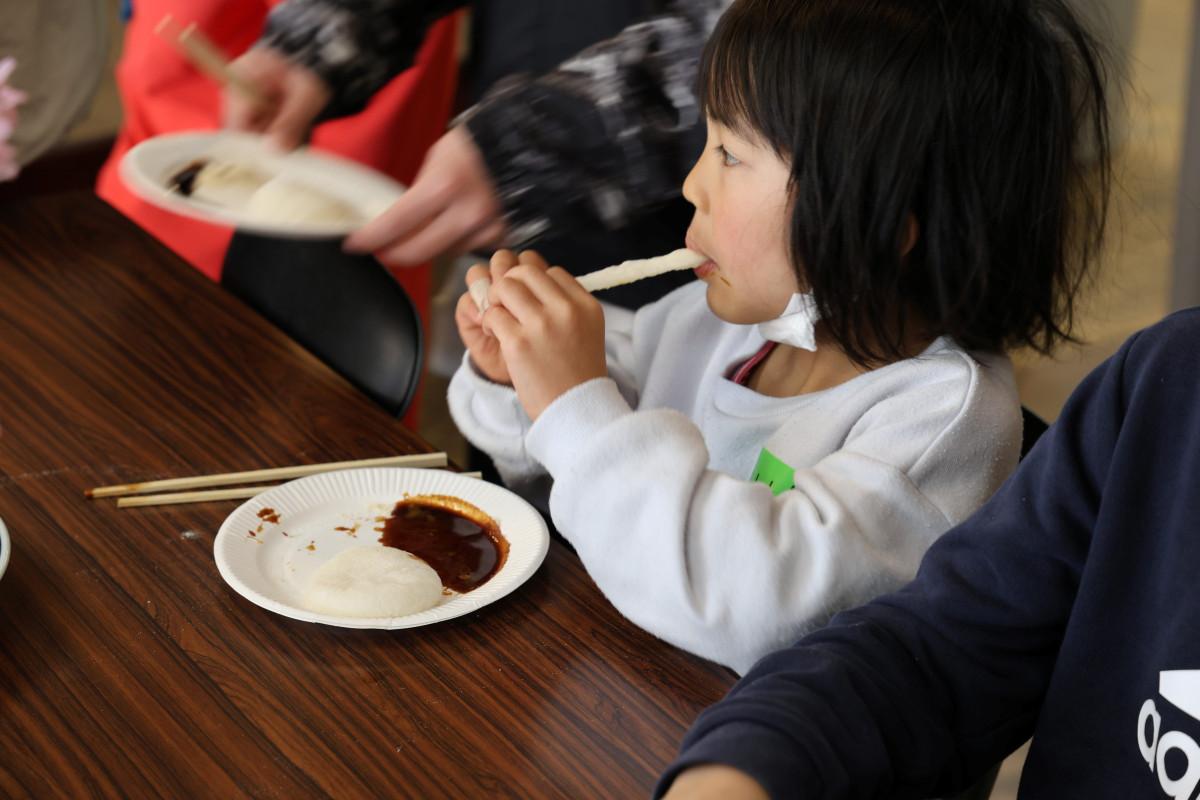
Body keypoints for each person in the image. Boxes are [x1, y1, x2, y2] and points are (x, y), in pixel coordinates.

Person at [445, 0, 1111, 673]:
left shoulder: (936, 423)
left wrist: (573, 407)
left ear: (876, 226)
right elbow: (579, 447)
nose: (692, 184)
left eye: (730, 154)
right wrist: (521, 378)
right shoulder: (717, 325)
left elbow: (751, 606)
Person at [655, 300, 1200, 799]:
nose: (694, 188)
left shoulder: (944, 405)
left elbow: (755, 605)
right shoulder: (1173, 383)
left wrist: (583, 417)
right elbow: (945, 648)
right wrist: (751, 759)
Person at [225, 0, 730, 308]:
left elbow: (787, 27)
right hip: (523, 251)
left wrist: (555, 139)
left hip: (707, 270)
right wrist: (332, 28)